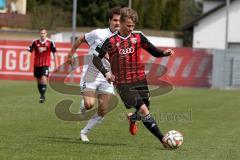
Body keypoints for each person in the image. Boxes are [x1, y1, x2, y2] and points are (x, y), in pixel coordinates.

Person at [93, 7, 174, 147]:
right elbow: (95, 58)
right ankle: (163, 139)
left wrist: (164, 53)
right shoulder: (111, 41)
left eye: (133, 26)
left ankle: (133, 118)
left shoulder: (138, 36)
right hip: (123, 83)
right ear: (121, 23)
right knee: (144, 110)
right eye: (128, 25)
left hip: (140, 79)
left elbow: (153, 51)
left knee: (145, 108)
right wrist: (106, 73)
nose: (131, 28)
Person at [67, 7, 121, 142]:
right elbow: (80, 39)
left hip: (107, 76)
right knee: (89, 104)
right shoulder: (98, 33)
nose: (117, 23)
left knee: (103, 110)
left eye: (120, 20)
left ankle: (84, 132)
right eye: (115, 20)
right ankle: (83, 104)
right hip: (91, 72)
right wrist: (70, 54)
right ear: (109, 20)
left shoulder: (123, 39)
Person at [25, 28, 58, 103]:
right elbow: (29, 51)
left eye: (44, 33)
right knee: (39, 80)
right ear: (39, 34)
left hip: (45, 64)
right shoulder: (35, 42)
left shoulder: (50, 42)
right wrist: (27, 59)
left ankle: (42, 96)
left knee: (44, 78)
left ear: (46, 34)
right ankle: (42, 95)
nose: (42, 35)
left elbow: (54, 53)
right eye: (41, 33)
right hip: (37, 64)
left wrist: (56, 64)